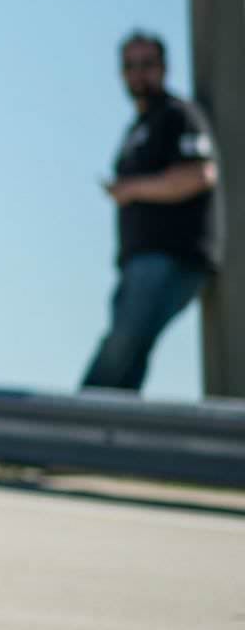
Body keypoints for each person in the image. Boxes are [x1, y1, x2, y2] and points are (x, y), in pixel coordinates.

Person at [79, 30, 223, 392]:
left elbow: (200, 174)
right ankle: (114, 439)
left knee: (120, 348)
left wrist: (132, 188)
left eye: (147, 65)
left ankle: (70, 430)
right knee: (130, 356)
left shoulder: (177, 115)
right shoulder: (136, 130)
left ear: (163, 67)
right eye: (130, 66)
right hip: (137, 262)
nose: (138, 74)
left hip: (169, 258)